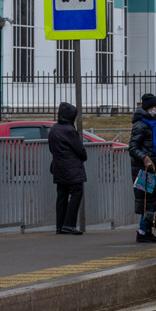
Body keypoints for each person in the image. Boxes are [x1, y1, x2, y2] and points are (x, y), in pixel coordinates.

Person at [130, 93, 156, 243]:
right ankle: (143, 232)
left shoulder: (151, 124)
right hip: (144, 169)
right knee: (146, 202)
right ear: (148, 108)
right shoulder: (140, 125)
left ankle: (147, 231)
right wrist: (145, 158)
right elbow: (133, 148)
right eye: (155, 107)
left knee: (152, 201)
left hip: (153, 168)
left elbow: (153, 146)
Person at [48, 101, 87, 235]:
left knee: (62, 195)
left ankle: (60, 226)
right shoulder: (70, 130)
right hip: (72, 168)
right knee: (76, 192)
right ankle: (69, 224)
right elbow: (80, 151)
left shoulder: (54, 129)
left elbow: (51, 148)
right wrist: (83, 156)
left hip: (58, 166)